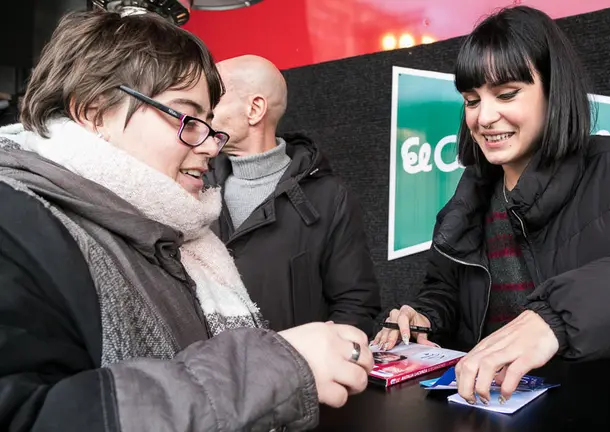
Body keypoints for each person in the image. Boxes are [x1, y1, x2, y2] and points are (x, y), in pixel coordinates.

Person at [373, 5, 610, 406]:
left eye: (507, 94)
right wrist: (425, 319)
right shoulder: (468, 199)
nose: (485, 117)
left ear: (554, 89)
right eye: (472, 101)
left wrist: (558, 317)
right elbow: (445, 292)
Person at [0, 11, 373, 431]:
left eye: (207, 123)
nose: (210, 145)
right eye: (186, 118)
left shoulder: (170, 226)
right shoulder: (14, 224)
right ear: (94, 113)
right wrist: (271, 368)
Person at [206, 55, 381, 336]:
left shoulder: (329, 198)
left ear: (255, 109)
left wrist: (319, 365)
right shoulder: (194, 189)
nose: (203, 111)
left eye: (213, 98)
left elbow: (355, 306)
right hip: (211, 375)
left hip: (296, 377)